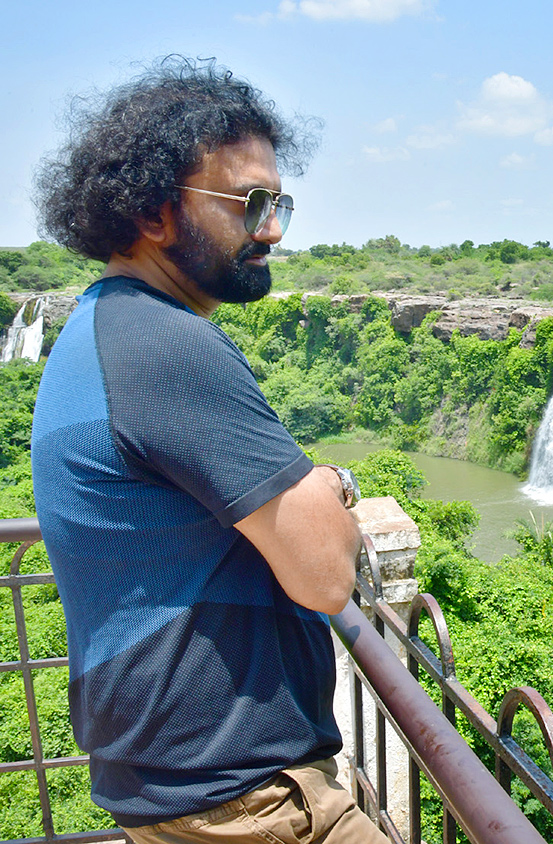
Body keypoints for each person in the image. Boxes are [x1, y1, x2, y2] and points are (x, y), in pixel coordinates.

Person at [30, 57, 387, 844]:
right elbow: (327, 578)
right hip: (249, 807)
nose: (271, 230)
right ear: (156, 212)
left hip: (183, 792)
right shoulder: (165, 346)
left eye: (280, 204)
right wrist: (335, 489)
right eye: (249, 203)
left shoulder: (102, 324)